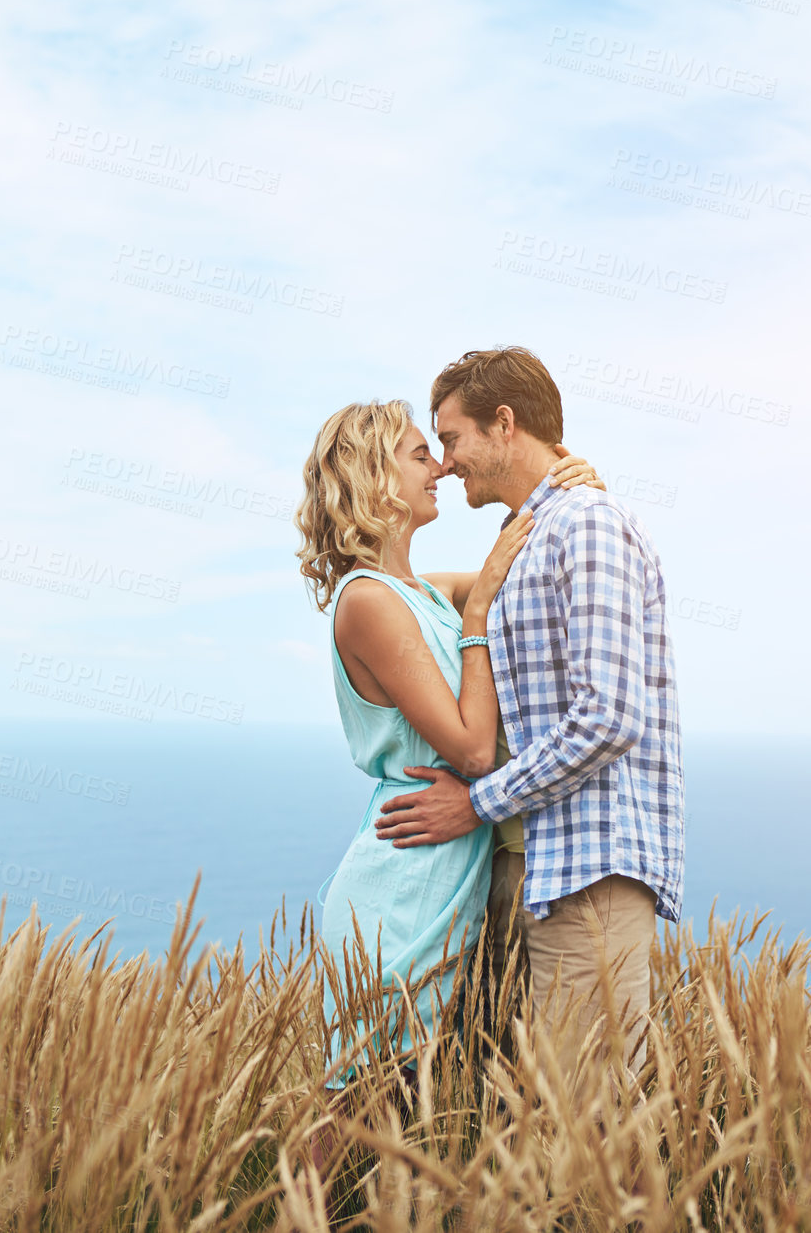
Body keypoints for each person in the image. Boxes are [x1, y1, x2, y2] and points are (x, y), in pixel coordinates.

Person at [375, 347, 684, 1083]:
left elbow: (608, 718)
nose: (445, 464)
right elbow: (406, 593)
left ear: (503, 424)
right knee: (515, 1120)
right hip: (528, 868)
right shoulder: (527, 537)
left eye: (450, 440)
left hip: (587, 877)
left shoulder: (589, 526)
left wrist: (474, 805)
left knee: (586, 1134)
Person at [294, 398, 603, 1096]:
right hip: (402, 887)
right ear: (375, 478)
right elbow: (469, 749)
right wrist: (475, 617)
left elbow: (514, 575)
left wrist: (565, 484)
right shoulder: (369, 601)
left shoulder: (416, 593)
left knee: (412, 1110)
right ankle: (293, 1211)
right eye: (417, 454)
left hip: (443, 880)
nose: (439, 466)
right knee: (358, 1105)